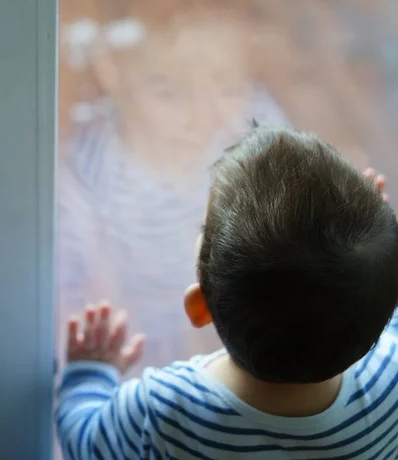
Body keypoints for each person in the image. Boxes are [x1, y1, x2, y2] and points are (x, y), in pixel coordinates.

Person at [56, 126, 398, 459]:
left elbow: (85, 440)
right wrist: (371, 249)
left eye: (205, 228)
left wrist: (90, 371)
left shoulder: (165, 409)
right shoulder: (390, 377)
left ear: (200, 308)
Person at [58, 16, 290, 373]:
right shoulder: (90, 164)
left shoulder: (256, 126)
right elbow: (75, 291)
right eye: (167, 91)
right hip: (138, 338)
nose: (202, 116)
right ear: (114, 75)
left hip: (243, 319)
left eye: (227, 86)